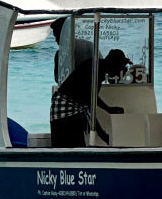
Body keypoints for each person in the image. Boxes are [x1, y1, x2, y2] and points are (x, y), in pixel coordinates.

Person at [49, 19, 124, 147]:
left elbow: (89, 96)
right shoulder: (96, 65)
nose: (56, 39)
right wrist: (101, 133)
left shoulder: (95, 65)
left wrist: (107, 109)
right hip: (67, 109)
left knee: (65, 148)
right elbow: (89, 100)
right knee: (74, 146)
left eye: (57, 35)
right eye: (120, 69)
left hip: (63, 106)